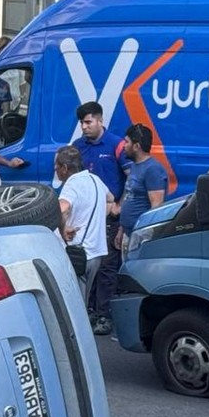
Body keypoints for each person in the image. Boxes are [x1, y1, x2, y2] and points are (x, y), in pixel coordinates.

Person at [73, 101, 131, 335]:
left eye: (88, 122)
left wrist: (119, 206)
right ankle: (86, 310)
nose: (84, 127)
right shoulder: (78, 147)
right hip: (86, 220)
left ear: (100, 120)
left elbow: (132, 178)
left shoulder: (117, 146)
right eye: (82, 123)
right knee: (87, 266)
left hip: (108, 218)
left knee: (107, 267)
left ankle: (103, 315)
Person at [54, 146, 112, 304]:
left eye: (56, 167)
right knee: (83, 303)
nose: (55, 171)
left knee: (72, 306)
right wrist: (98, 218)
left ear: (65, 168)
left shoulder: (72, 184)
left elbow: (61, 209)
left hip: (77, 253)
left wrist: (63, 229)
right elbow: (110, 199)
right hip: (95, 252)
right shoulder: (96, 180)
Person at [118, 123, 168, 255]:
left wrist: (144, 238)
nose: (123, 146)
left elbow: (156, 206)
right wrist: (121, 230)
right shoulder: (135, 166)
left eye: (126, 142)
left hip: (140, 238)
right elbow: (129, 195)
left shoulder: (152, 169)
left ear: (136, 146)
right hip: (129, 234)